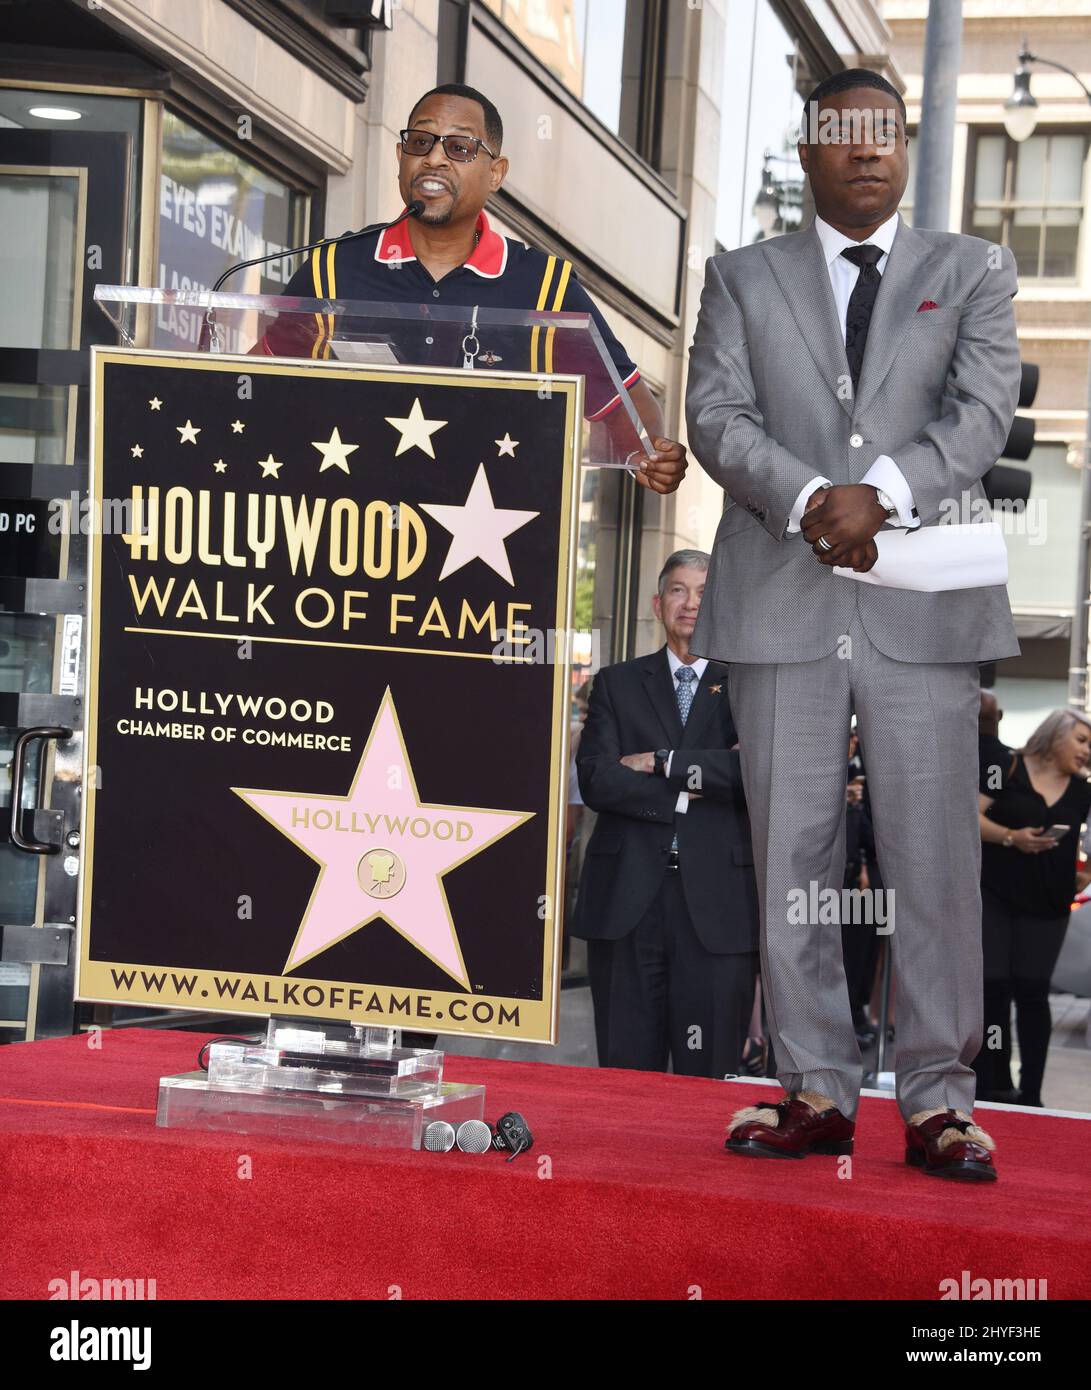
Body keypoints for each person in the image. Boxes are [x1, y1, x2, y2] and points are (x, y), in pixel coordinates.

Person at [686, 68, 1022, 1180]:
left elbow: (979, 414)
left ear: (904, 144)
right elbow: (715, 417)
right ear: (809, 147)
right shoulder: (738, 276)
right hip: (781, 599)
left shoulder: (969, 267)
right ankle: (815, 1091)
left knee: (932, 861)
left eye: (886, 133)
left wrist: (878, 490)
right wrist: (804, 499)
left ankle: (936, 1101)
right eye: (843, 134)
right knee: (791, 855)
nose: (866, 151)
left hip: (920, 604)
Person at [256, 82, 686, 495]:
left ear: (495, 173)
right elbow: (254, 386)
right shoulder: (335, 267)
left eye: (460, 148)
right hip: (351, 537)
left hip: (483, 546)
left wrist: (652, 457)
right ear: (400, 155)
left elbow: (632, 409)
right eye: (421, 142)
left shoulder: (543, 289)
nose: (434, 159)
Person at [572, 551, 759, 1078]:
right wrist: (683, 794)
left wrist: (662, 762)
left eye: (703, 592)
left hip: (718, 908)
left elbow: (755, 776)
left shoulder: (749, 688)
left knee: (709, 1076)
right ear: (658, 604)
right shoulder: (616, 683)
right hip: (629, 900)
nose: (691, 603)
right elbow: (598, 779)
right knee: (628, 1074)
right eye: (679, 590)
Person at [976, 709, 1091, 1106]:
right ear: (1055, 734)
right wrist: (1011, 837)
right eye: (1081, 740)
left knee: (1032, 991)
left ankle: (1031, 1093)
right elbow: (968, 817)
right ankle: (992, 1081)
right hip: (996, 895)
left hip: (1049, 903)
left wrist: (1087, 871)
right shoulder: (1006, 767)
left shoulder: (1081, 790)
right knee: (993, 987)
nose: (1086, 750)